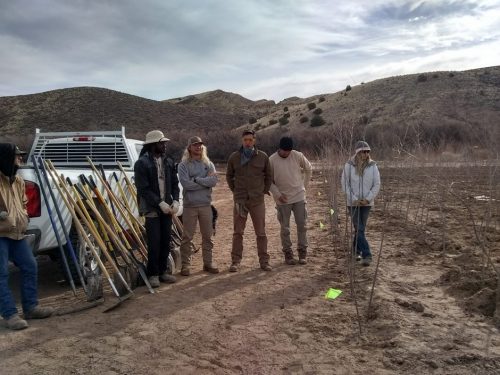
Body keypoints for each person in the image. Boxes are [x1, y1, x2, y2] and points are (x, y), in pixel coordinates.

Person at [0, 144, 54, 330]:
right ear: (6, 158)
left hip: (17, 233)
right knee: (1, 274)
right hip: (0, 234)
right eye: (17, 157)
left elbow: (22, 204)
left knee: (30, 265)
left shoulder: (19, 181)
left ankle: (31, 307)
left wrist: (22, 217)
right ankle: (9, 314)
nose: (20, 160)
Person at [134, 130, 180, 287]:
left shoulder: (168, 161)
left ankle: (163, 272)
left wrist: (176, 200)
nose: (165, 145)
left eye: (165, 143)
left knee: (166, 240)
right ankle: (152, 273)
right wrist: (159, 202)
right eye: (162, 143)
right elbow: (143, 189)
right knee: (154, 242)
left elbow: (174, 183)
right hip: (152, 209)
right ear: (153, 145)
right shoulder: (142, 164)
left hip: (167, 208)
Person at [226, 129, 272, 272]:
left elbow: (269, 176)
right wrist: (236, 192)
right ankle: (235, 261)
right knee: (238, 232)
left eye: (250, 140)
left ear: (254, 141)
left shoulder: (263, 157)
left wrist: (263, 191)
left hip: (257, 201)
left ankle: (264, 261)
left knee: (261, 232)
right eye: (245, 140)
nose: (247, 142)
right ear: (242, 141)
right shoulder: (234, 157)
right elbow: (229, 176)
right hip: (240, 201)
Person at [177, 136, 219, 276]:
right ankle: (186, 265)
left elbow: (213, 181)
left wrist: (196, 179)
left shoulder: (209, 164)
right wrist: (203, 182)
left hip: (206, 205)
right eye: (195, 145)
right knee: (187, 237)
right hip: (190, 206)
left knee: (208, 235)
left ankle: (208, 263)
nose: (198, 147)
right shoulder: (183, 165)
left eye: (200, 145)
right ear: (189, 147)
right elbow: (186, 184)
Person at [269, 137, 312, 265]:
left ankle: (302, 252)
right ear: (279, 148)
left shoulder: (298, 155)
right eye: (284, 151)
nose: (287, 153)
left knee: (302, 225)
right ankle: (288, 253)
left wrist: (304, 186)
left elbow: (309, 168)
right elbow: (268, 181)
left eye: (289, 151)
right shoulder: (271, 160)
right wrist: (277, 194)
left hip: (299, 196)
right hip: (282, 199)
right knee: (285, 228)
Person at [341, 141, 381, 266]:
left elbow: (377, 184)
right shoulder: (348, 166)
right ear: (357, 152)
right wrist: (353, 198)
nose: (366, 154)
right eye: (363, 151)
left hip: (367, 203)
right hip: (352, 203)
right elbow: (345, 184)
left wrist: (368, 199)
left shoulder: (373, 166)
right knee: (359, 228)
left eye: (367, 151)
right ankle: (367, 254)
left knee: (360, 230)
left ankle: (356, 251)